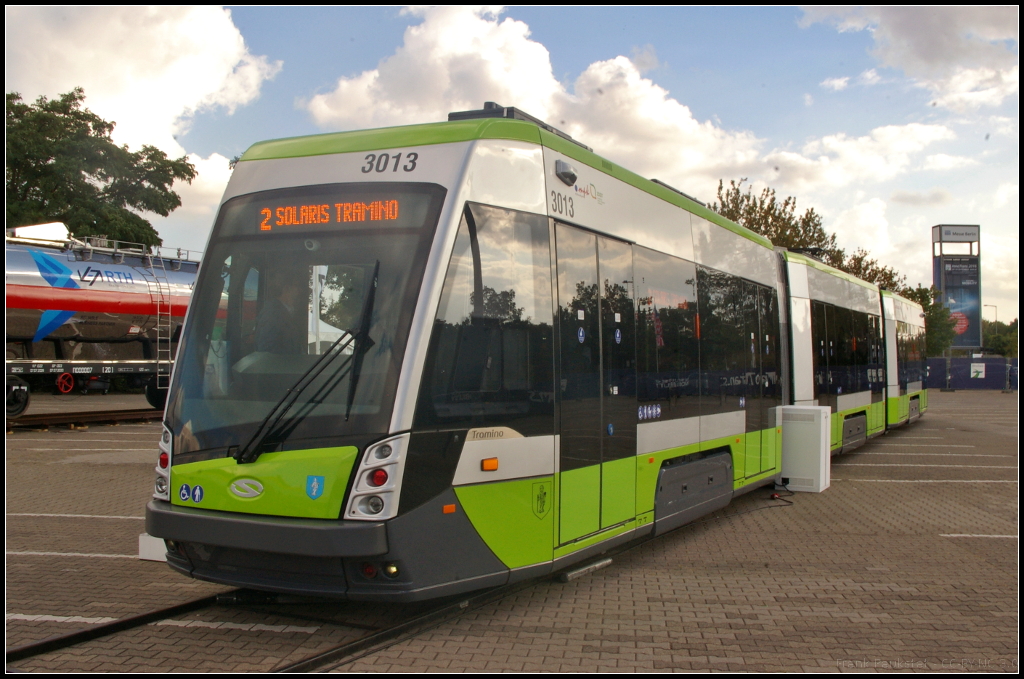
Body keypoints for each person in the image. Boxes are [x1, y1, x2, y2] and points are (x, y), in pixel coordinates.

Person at [254, 272, 306, 354]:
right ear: (286, 288)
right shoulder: (272, 314)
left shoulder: (284, 313)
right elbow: (267, 352)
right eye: (297, 286)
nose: (300, 290)